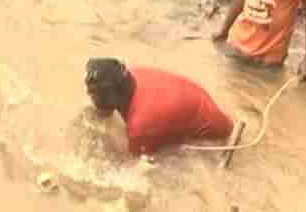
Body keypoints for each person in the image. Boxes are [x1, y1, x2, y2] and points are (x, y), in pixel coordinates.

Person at [84, 58, 246, 159]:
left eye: (94, 94)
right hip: (204, 107)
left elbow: (135, 167)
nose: (90, 96)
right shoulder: (132, 73)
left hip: (215, 138)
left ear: (113, 96)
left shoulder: (140, 126)